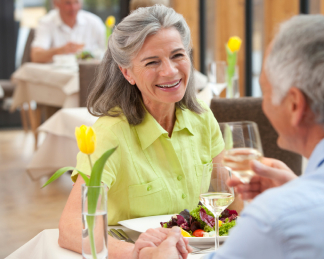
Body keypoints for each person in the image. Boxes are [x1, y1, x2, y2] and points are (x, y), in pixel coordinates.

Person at [134, 14, 324, 259]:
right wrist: (297, 188)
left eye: (265, 92)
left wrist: (157, 256)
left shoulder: (274, 218)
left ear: (294, 105)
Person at [57, 5, 243, 259]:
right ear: (127, 72)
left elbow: (232, 201)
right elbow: (71, 229)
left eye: (177, 55)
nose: (169, 71)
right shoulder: (111, 134)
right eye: (152, 62)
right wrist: (139, 253)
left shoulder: (202, 119)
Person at [31, 0, 105, 63]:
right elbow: (36, 56)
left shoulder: (94, 22)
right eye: (68, 3)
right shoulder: (46, 23)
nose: (73, 7)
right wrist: (60, 50)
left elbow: (107, 52)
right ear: (56, 3)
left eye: (76, 2)